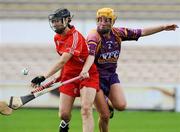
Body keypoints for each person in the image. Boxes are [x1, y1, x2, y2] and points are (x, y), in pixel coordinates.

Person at [86, 7, 178, 132]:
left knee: (121, 105)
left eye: (107, 20)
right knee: (105, 115)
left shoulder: (118, 33)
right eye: (100, 19)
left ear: (113, 21)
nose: (103, 22)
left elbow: (142, 32)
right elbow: (88, 58)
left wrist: (162, 27)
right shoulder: (93, 37)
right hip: (95, 78)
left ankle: (107, 102)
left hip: (111, 76)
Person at [31, 8, 100, 132]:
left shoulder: (74, 37)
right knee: (63, 114)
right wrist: (59, 75)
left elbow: (63, 60)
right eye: (54, 21)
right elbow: (66, 63)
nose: (55, 23)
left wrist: (44, 76)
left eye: (58, 20)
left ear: (67, 20)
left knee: (85, 109)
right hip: (69, 75)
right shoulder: (57, 37)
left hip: (87, 74)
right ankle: (65, 124)